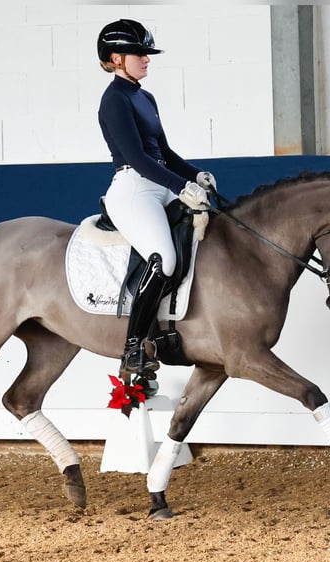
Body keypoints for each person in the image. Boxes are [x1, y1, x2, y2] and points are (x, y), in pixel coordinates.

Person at [96, 18, 216, 377]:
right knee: (163, 258)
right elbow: (138, 159)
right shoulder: (114, 100)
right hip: (134, 188)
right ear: (117, 58)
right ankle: (133, 347)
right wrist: (181, 187)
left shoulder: (145, 97)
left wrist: (195, 174)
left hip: (159, 181)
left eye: (147, 53)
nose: (147, 59)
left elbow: (163, 152)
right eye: (139, 53)